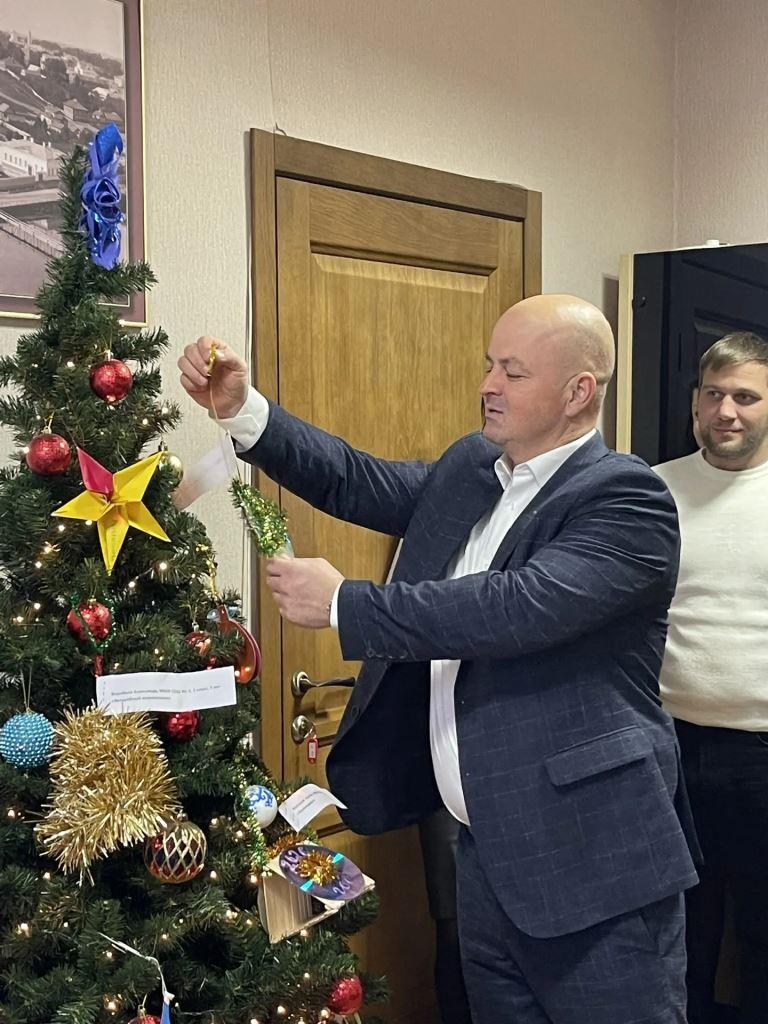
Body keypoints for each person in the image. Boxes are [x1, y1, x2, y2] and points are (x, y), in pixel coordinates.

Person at [179, 294, 698, 1024]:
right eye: (490, 365)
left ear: (579, 391)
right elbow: (356, 479)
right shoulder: (475, 467)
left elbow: (513, 608)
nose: (488, 385)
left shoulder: (626, 497)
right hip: (484, 859)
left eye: (512, 372)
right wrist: (244, 412)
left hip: (592, 867)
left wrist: (346, 605)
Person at [654, 332, 768, 1024]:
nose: (727, 411)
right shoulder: (651, 489)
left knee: (762, 932)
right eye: (714, 394)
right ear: (695, 402)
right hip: (666, 749)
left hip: (761, 755)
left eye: (746, 396)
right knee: (676, 931)